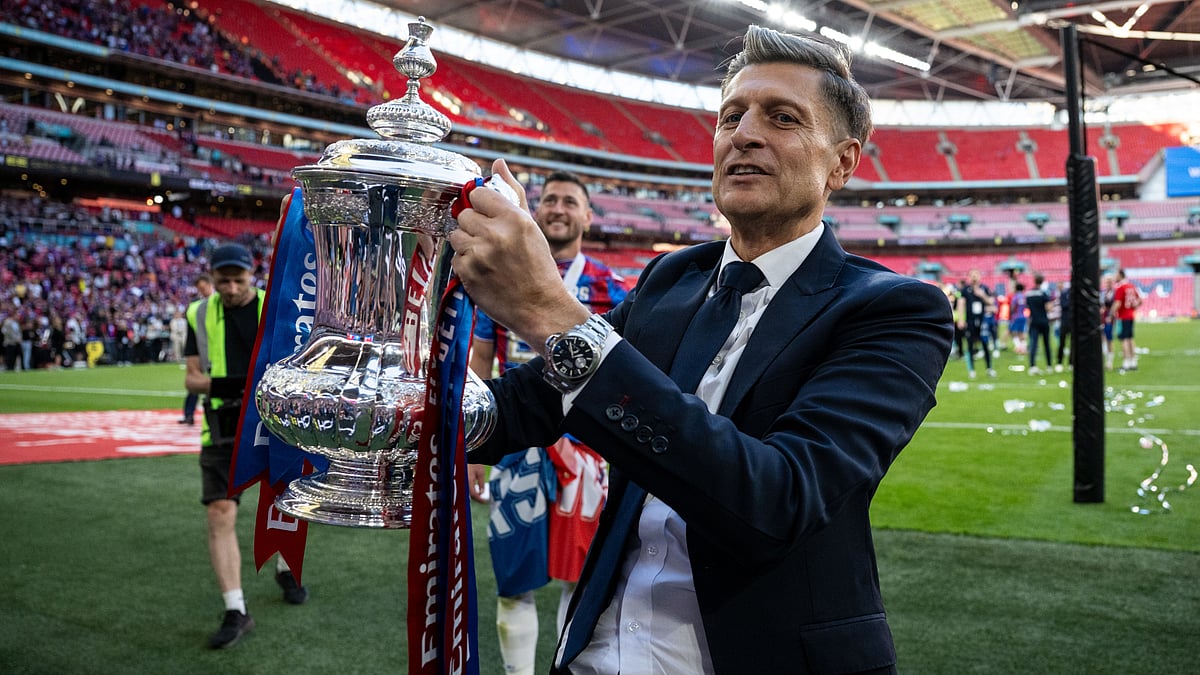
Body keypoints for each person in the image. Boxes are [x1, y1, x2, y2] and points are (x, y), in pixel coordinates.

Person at [449, 25, 953, 674]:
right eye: (731, 116)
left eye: (782, 118)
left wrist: (553, 313)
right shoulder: (669, 281)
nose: (744, 133)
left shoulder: (893, 310)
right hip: (594, 655)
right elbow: (528, 405)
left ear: (843, 163)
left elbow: (777, 499)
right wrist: (417, 406)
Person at [467, 171, 626, 675]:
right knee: (515, 574)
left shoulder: (612, 286)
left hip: (590, 447)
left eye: (569, 202)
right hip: (518, 444)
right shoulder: (500, 275)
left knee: (580, 577)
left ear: (586, 216)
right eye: (550, 200)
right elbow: (482, 362)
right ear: (538, 212)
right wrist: (473, 443)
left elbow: (629, 370)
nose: (558, 208)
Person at [184, 243, 308, 649]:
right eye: (224, 281)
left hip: (273, 420)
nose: (233, 287)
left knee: (286, 502)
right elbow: (192, 379)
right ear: (213, 278)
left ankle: (285, 566)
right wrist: (242, 382)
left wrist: (228, 383)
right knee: (220, 512)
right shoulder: (197, 313)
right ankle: (236, 609)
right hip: (221, 426)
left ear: (252, 276)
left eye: (239, 280)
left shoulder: (277, 308)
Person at [179, 273, 213, 425]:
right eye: (200, 289)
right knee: (195, 381)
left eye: (203, 288)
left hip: (214, 349)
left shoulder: (220, 303)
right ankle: (189, 414)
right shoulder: (196, 306)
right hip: (200, 347)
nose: (202, 291)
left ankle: (211, 415)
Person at [957, 269, 995, 378]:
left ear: (980, 277)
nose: (974, 277)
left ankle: (989, 368)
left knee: (985, 344)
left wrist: (982, 295)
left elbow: (991, 302)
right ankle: (972, 370)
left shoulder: (984, 289)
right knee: (969, 345)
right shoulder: (965, 290)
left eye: (976, 275)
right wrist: (961, 319)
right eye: (972, 275)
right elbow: (961, 304)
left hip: (982, 320)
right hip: (970, 321)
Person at [1112, 268, 1142, 372]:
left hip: (1123, 316)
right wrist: (1134, 307)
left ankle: (1126, 363)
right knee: (1130, 338)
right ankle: (1133, 361)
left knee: (1124, 339)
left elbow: (1118, 303)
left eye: (1116, 274)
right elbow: (1140, 300)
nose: (1115, 277)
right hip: (1131, 315)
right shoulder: (1131, 286)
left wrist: (1110, 314)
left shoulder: (1121, 287)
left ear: (1120, 275)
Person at [1025, 273, 1054, 375]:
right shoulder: (1044, 293)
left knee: (1033, 344)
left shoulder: (1029, 294)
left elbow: (1027, 307)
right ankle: (1049, 365)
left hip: (1034, 321)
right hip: (1044, 320)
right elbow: (1048, 307)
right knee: (1046, 344)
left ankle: (1032, 366)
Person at [1100, 273, 1116, 371]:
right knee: (1102, 338)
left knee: (1109, 339)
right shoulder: (1102, 293)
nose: (1108, 283)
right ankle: (1104, 359)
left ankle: (1109, 361)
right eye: (1107, 281)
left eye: (1110, 281)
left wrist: (1110, 315)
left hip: (1110, 318)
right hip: (1102, 318)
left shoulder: (1114, 293)